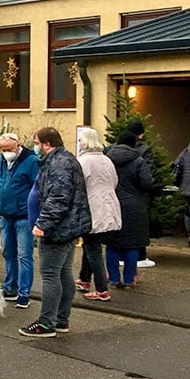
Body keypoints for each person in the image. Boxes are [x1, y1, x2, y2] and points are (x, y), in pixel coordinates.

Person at [20, 127, 91, 339]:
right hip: (68, 227)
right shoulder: (63, 160)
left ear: (47, 144)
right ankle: (61, 320)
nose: (35, 147)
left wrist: (42, 224)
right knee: (63, 273)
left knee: (51, 275)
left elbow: (58, 199)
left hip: (58, 230)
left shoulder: (59, 164)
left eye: (37, 143)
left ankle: (46, 323)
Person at [0, 132, 38, 308]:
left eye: (8, 149)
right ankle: (10, 288)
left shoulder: (31, 162)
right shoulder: (1, 161)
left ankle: (24, 293)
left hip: (24, 216)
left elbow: (37, 188)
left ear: (17, 145)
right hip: (6, 216)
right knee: (8, 253)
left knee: (24, 255)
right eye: (2, 149)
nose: (5, 152)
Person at [75, 128, 121, 302]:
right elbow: (115, 182)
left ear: (85, 142)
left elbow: (79, 185)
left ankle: (102, 289)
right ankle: (84, 279)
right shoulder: (107, 160)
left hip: (92, 207)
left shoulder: (83, 161)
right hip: (108, 206)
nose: (79, 144)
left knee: (93, 248)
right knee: (90, 244)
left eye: (80, 141)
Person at [104, 131, 153, 290]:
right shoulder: (139, 160)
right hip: (134, 205)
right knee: (132, 244)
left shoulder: (108, 159)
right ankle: (129, 279)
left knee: (112, 243)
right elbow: (146, 183)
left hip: (112, 203)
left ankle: (113, 278)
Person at [125, 120, 157, 268]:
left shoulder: (116, 150)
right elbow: (149, 173)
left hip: (122, 192)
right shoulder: (144, 150)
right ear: (141, 134)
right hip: (139, 193)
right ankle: (140, 256)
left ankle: (123, 255)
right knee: (140, 226)